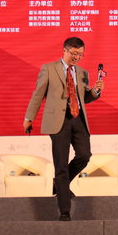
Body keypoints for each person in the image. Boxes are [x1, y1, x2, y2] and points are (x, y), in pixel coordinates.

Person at [23, 37, 104, 221]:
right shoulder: (48, 69)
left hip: (78, 120)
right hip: (58, 121)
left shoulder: (82, 72)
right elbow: (38, 94)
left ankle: (59, 185)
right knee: (60, 165)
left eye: (80, 54)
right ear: (65, 51)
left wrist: (95, 92)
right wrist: (29, 118)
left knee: (84, 155)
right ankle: (64, 210)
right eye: (74, 53)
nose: (77, 57)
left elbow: (85, 98)